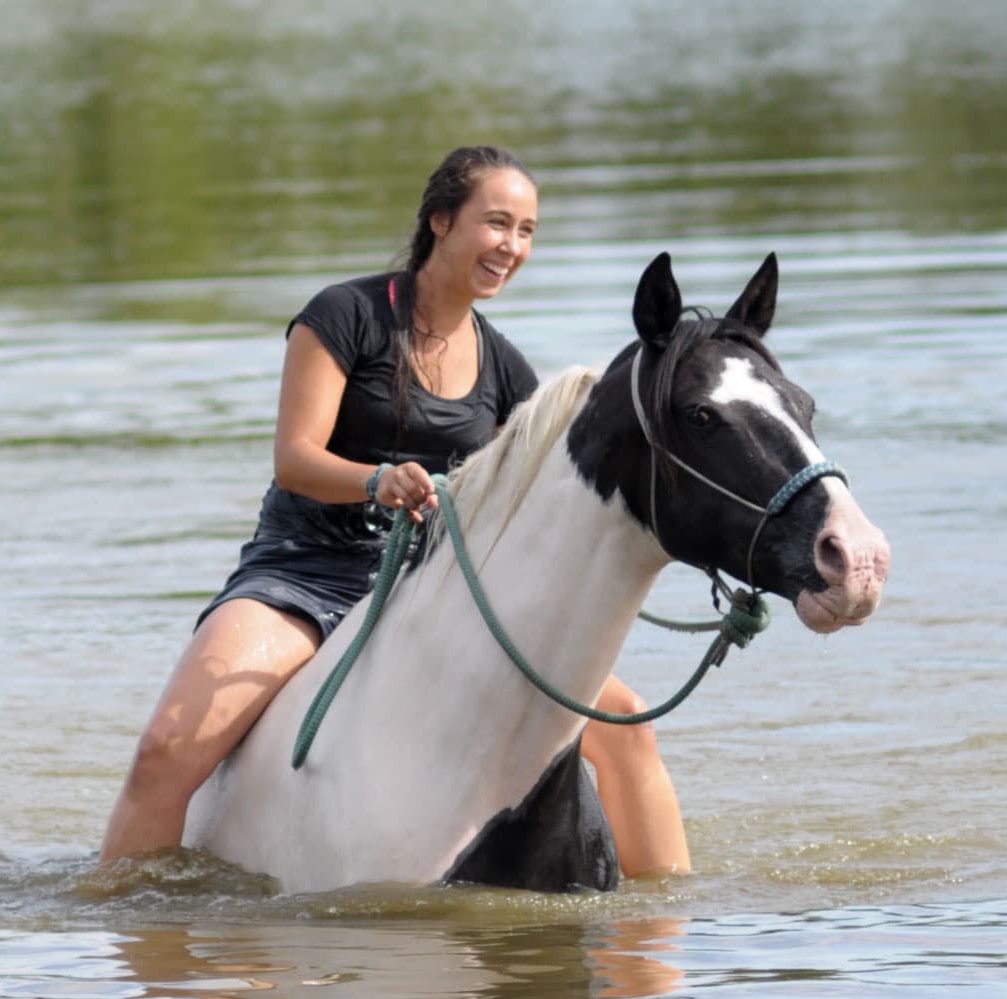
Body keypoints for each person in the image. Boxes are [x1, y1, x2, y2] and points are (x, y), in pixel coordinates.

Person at [99, 145, 690, 877]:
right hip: (304, 576)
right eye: (497, 223)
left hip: (434, 589)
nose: (512, 247)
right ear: (440, 221)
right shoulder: (343, 316)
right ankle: (126, 919)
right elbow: (295, 459)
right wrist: (377, 481)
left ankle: (662, 948)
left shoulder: (509, 372)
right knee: (166, 748)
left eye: (528, 231)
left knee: (628, 729)